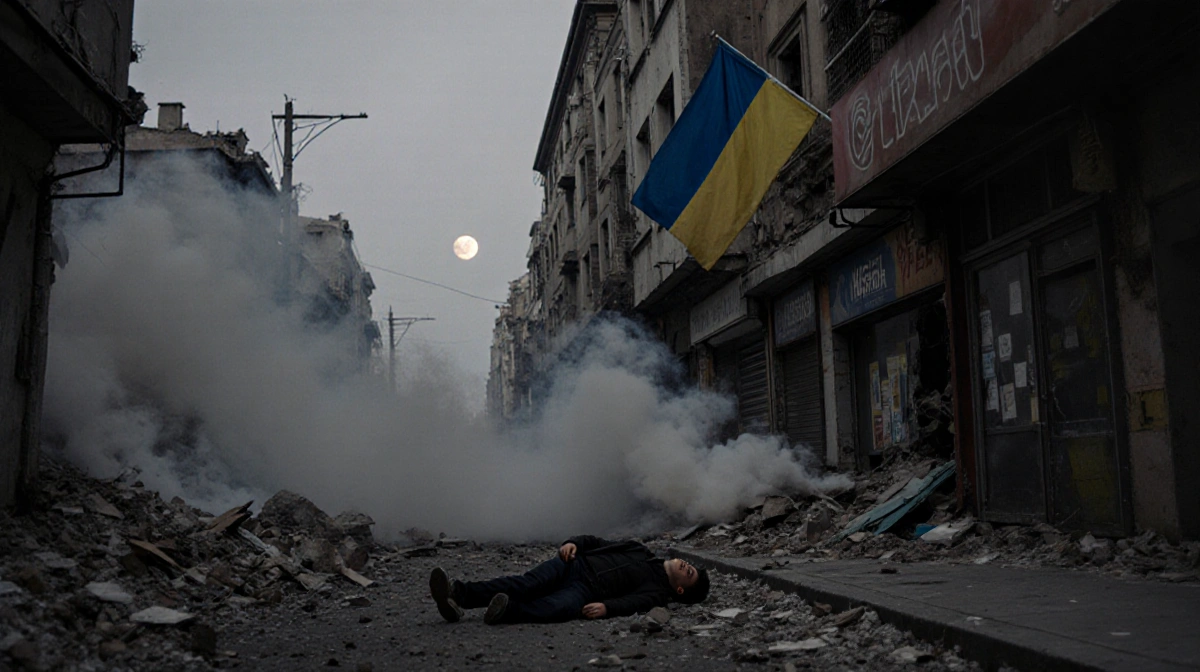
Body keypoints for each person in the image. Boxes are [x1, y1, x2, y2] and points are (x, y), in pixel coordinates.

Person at [429, 534, 710, 625]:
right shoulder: (640, 550)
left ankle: (504, 612)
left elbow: (632, 602)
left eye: (689, 572)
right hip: (573, 565)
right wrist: (572, 543)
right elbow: (596, 541)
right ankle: (457, 593)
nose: (685, 565)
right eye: (689, 564)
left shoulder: (657, 594)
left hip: (586, 590)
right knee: (526, 583)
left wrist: (606, 608)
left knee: (557, 608)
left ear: (681, 589)